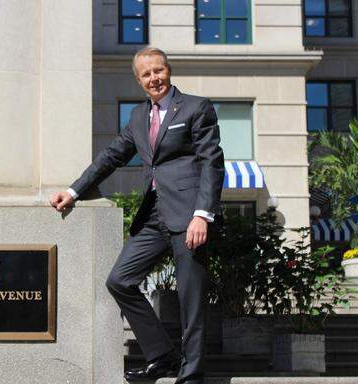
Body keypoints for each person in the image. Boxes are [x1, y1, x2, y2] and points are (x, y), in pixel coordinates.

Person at [50, 47, 224, 384]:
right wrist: (72, 192)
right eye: (147, 74)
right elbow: (111, 156)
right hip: (153, 215)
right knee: (120, 280)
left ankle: (192, 374)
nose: (154, 78)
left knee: (191, 297)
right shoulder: (137, 117)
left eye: (158, 71)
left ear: (168, 71)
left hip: (189, 216)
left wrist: (202, 215)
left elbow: (211, 163)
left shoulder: (194, 107)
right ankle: (163, 356)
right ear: (139, 80)